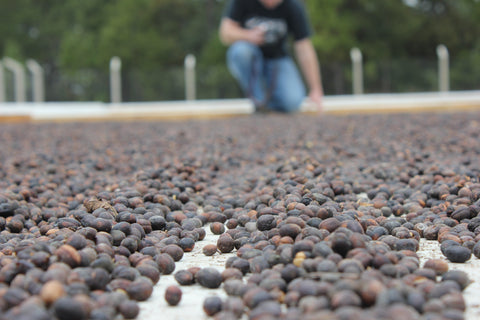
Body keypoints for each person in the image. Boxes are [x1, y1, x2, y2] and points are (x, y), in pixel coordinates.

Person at [219, 0, 324, 113]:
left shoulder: (293, 5)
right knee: (241, 52)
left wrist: (315, 89)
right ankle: (260, 103)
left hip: (277, 59)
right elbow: (225, 33)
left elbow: (304, 48)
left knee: (293, 102)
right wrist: (248, 36)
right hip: (251, 55)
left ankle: (269, 103)